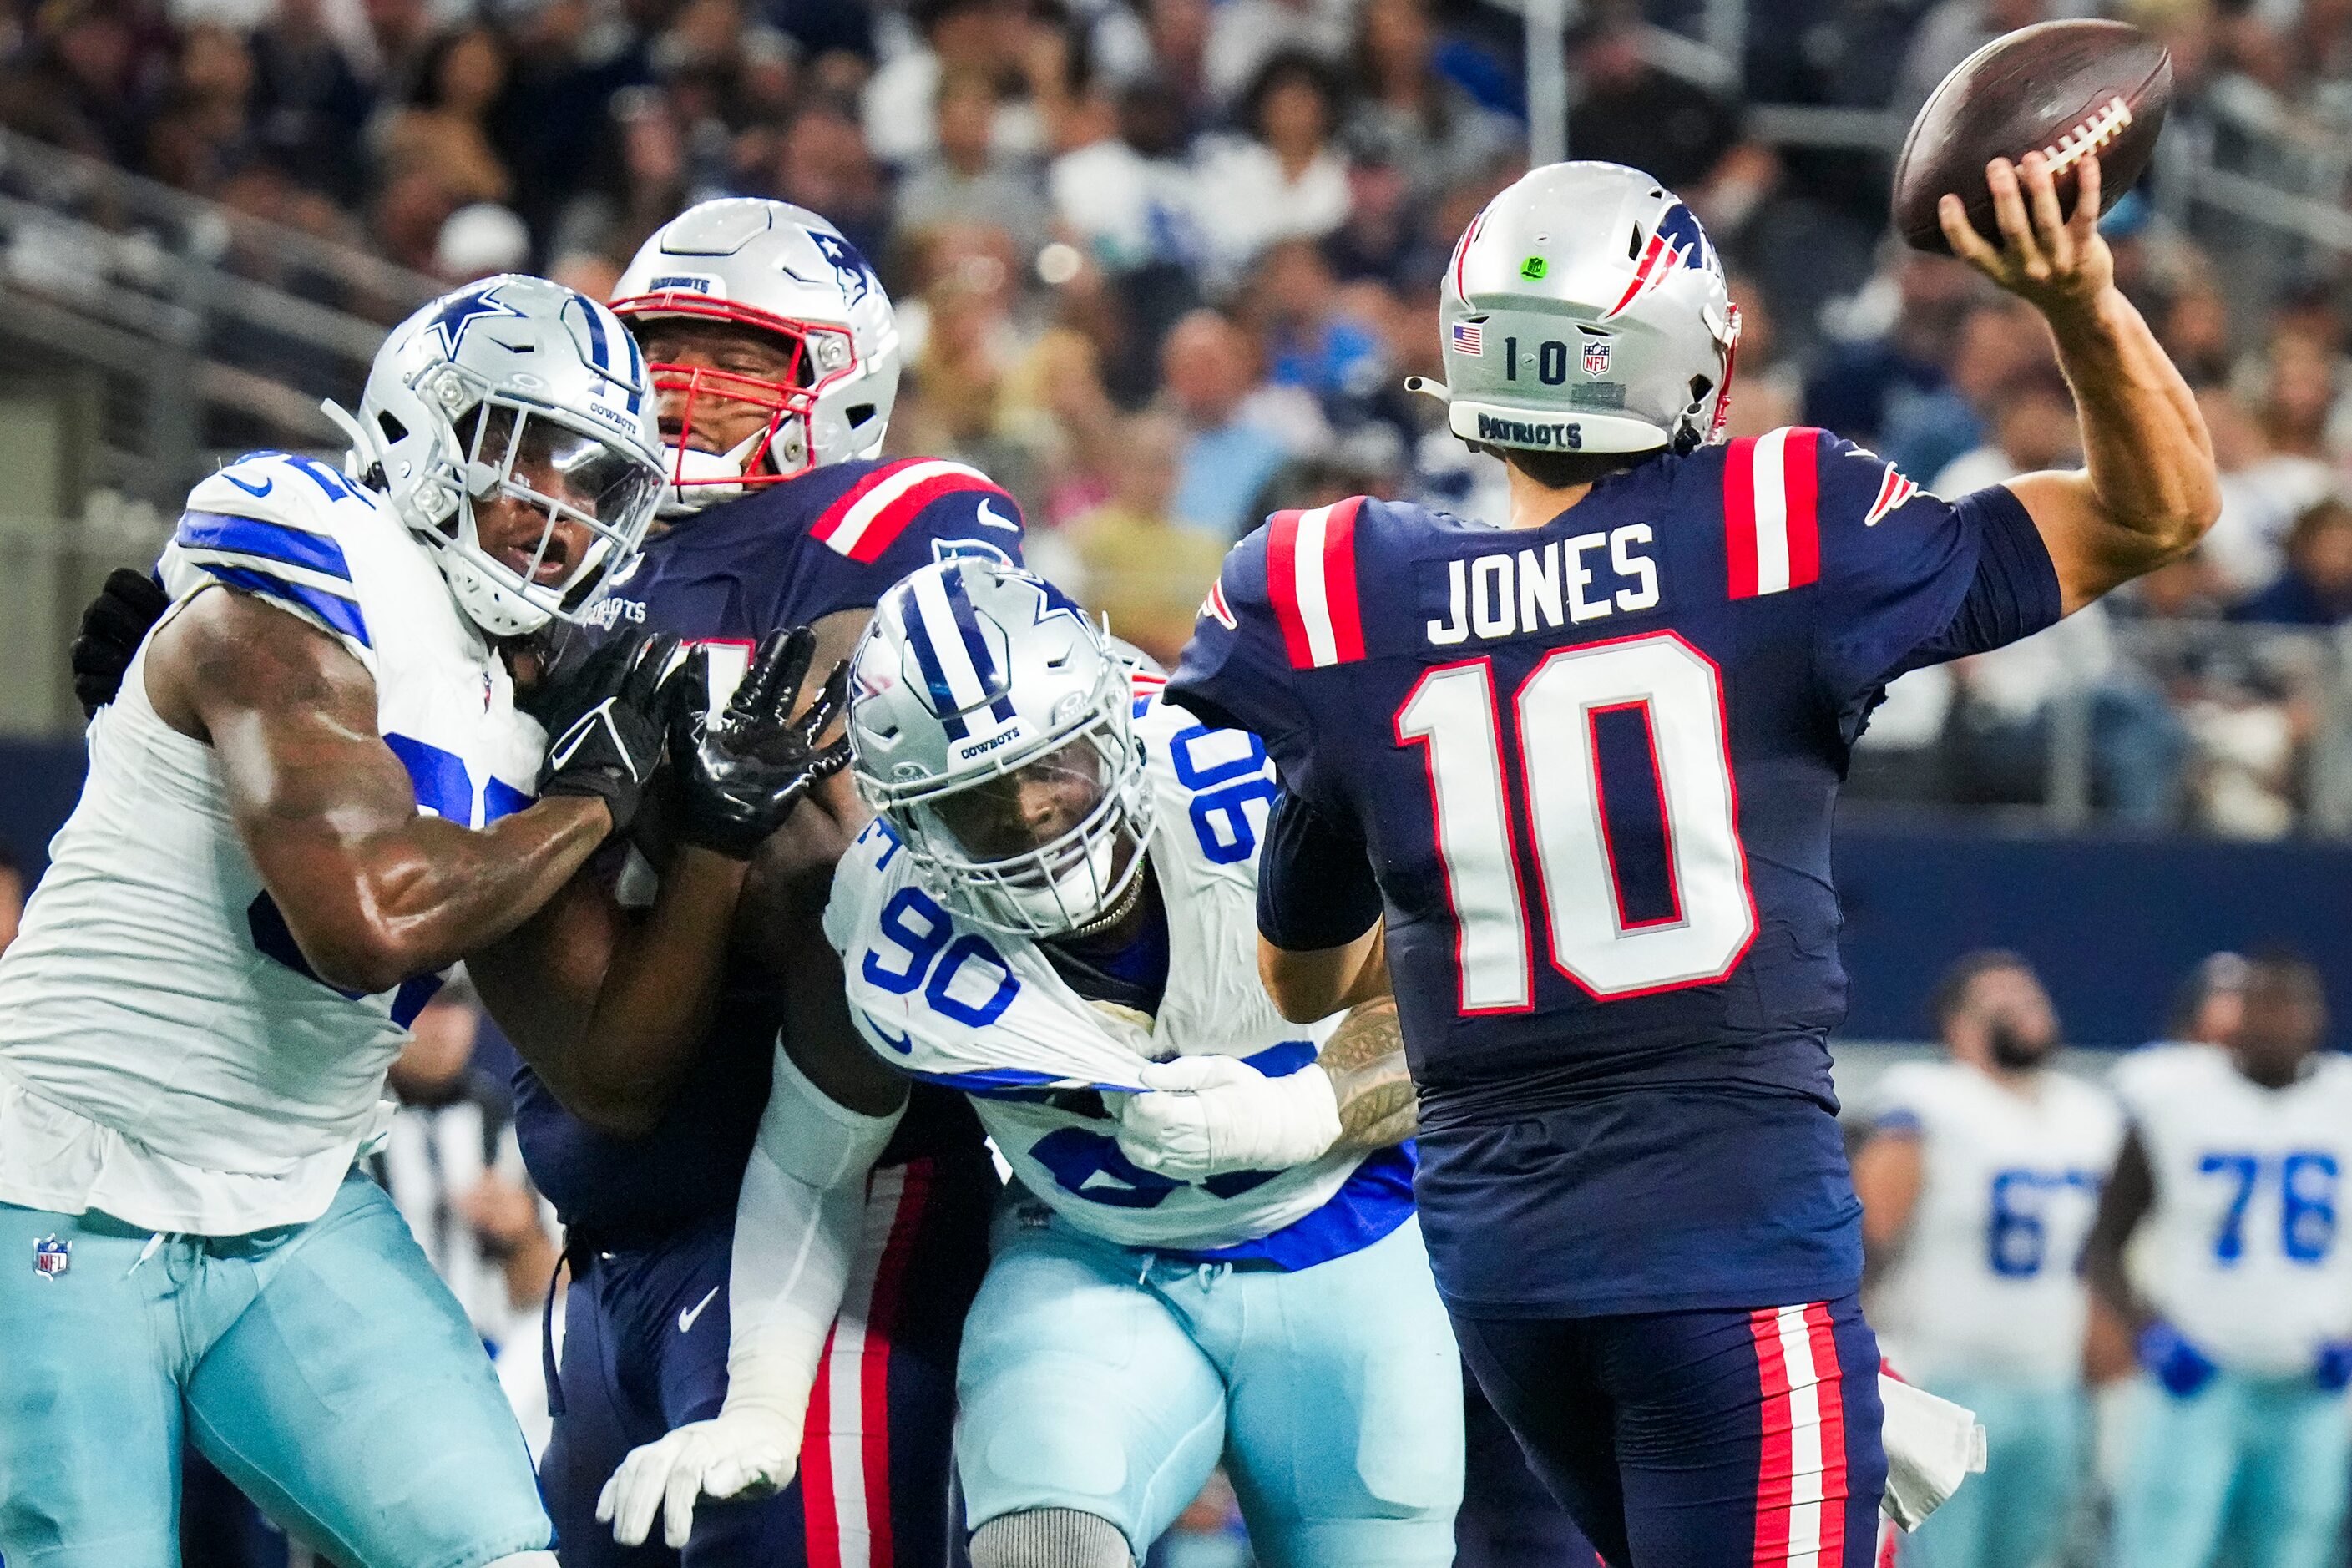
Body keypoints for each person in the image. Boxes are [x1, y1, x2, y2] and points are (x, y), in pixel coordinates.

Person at [1165, 149, 2221, 1567]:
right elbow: (2157, 510)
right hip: (1727, 1238)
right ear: (1677, 356)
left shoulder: (1330, 588)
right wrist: (2079, 295)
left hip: (1501, 1266)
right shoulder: (1778, 524)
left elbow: (1298, 980)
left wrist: (1372, 799)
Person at [0, 274, 828, 1567]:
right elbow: (368, 921)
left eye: (593, 484)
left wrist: (711, 846)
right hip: (61, 1185)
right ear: (420, 428)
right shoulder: (293, 587)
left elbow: (608, 1068)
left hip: (296, 1202)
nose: (555, 517)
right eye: (523, 457)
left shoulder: (516, 697)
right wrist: (591, 806)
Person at [599, 559, 1464, 1567]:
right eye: (976, 798)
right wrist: (757, 1402)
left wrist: (1301, 1113)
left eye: (1057, 766)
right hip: (1095, 1258)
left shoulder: (1262, 792)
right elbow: (809, 1163)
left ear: (1113, 726)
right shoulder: (888, 934)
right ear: (908, 818)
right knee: (1043, 1539)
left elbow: (1453, 1012)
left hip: (1343, 1241)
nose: (1031, 814)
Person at [478, 197, 1029, 1567]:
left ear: (836, 385)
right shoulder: (561, 545)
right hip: (610, 1242)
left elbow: (894, 741)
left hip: (819, 1210)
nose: (683, 388)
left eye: (738, 360)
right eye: (659, 350)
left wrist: (663, 691)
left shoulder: (891, 516)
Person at [1851, 952, 2120, 1568]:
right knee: (1939, 1554)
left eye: (2033, 997)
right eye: (2005, 1000)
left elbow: (2104, 1254)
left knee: (2036, 1554)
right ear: (1957, 1024)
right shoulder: (1926, 1097)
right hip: (1943, 1375)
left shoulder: (2088, 1112)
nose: (2028, 1009)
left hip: (2051, 1379)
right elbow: (1870, 1228)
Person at [2086, 950, 2352, 1568]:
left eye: (2291, 1006)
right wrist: (2148, 1334)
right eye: (2262, 1005)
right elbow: (2104, 1239)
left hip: (2310, 1378)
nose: (2277, 1022)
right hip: (2199, 1375)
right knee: (2162, 1549)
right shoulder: (2173, 1096)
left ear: (2317, 1016)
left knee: (2294, 1549)